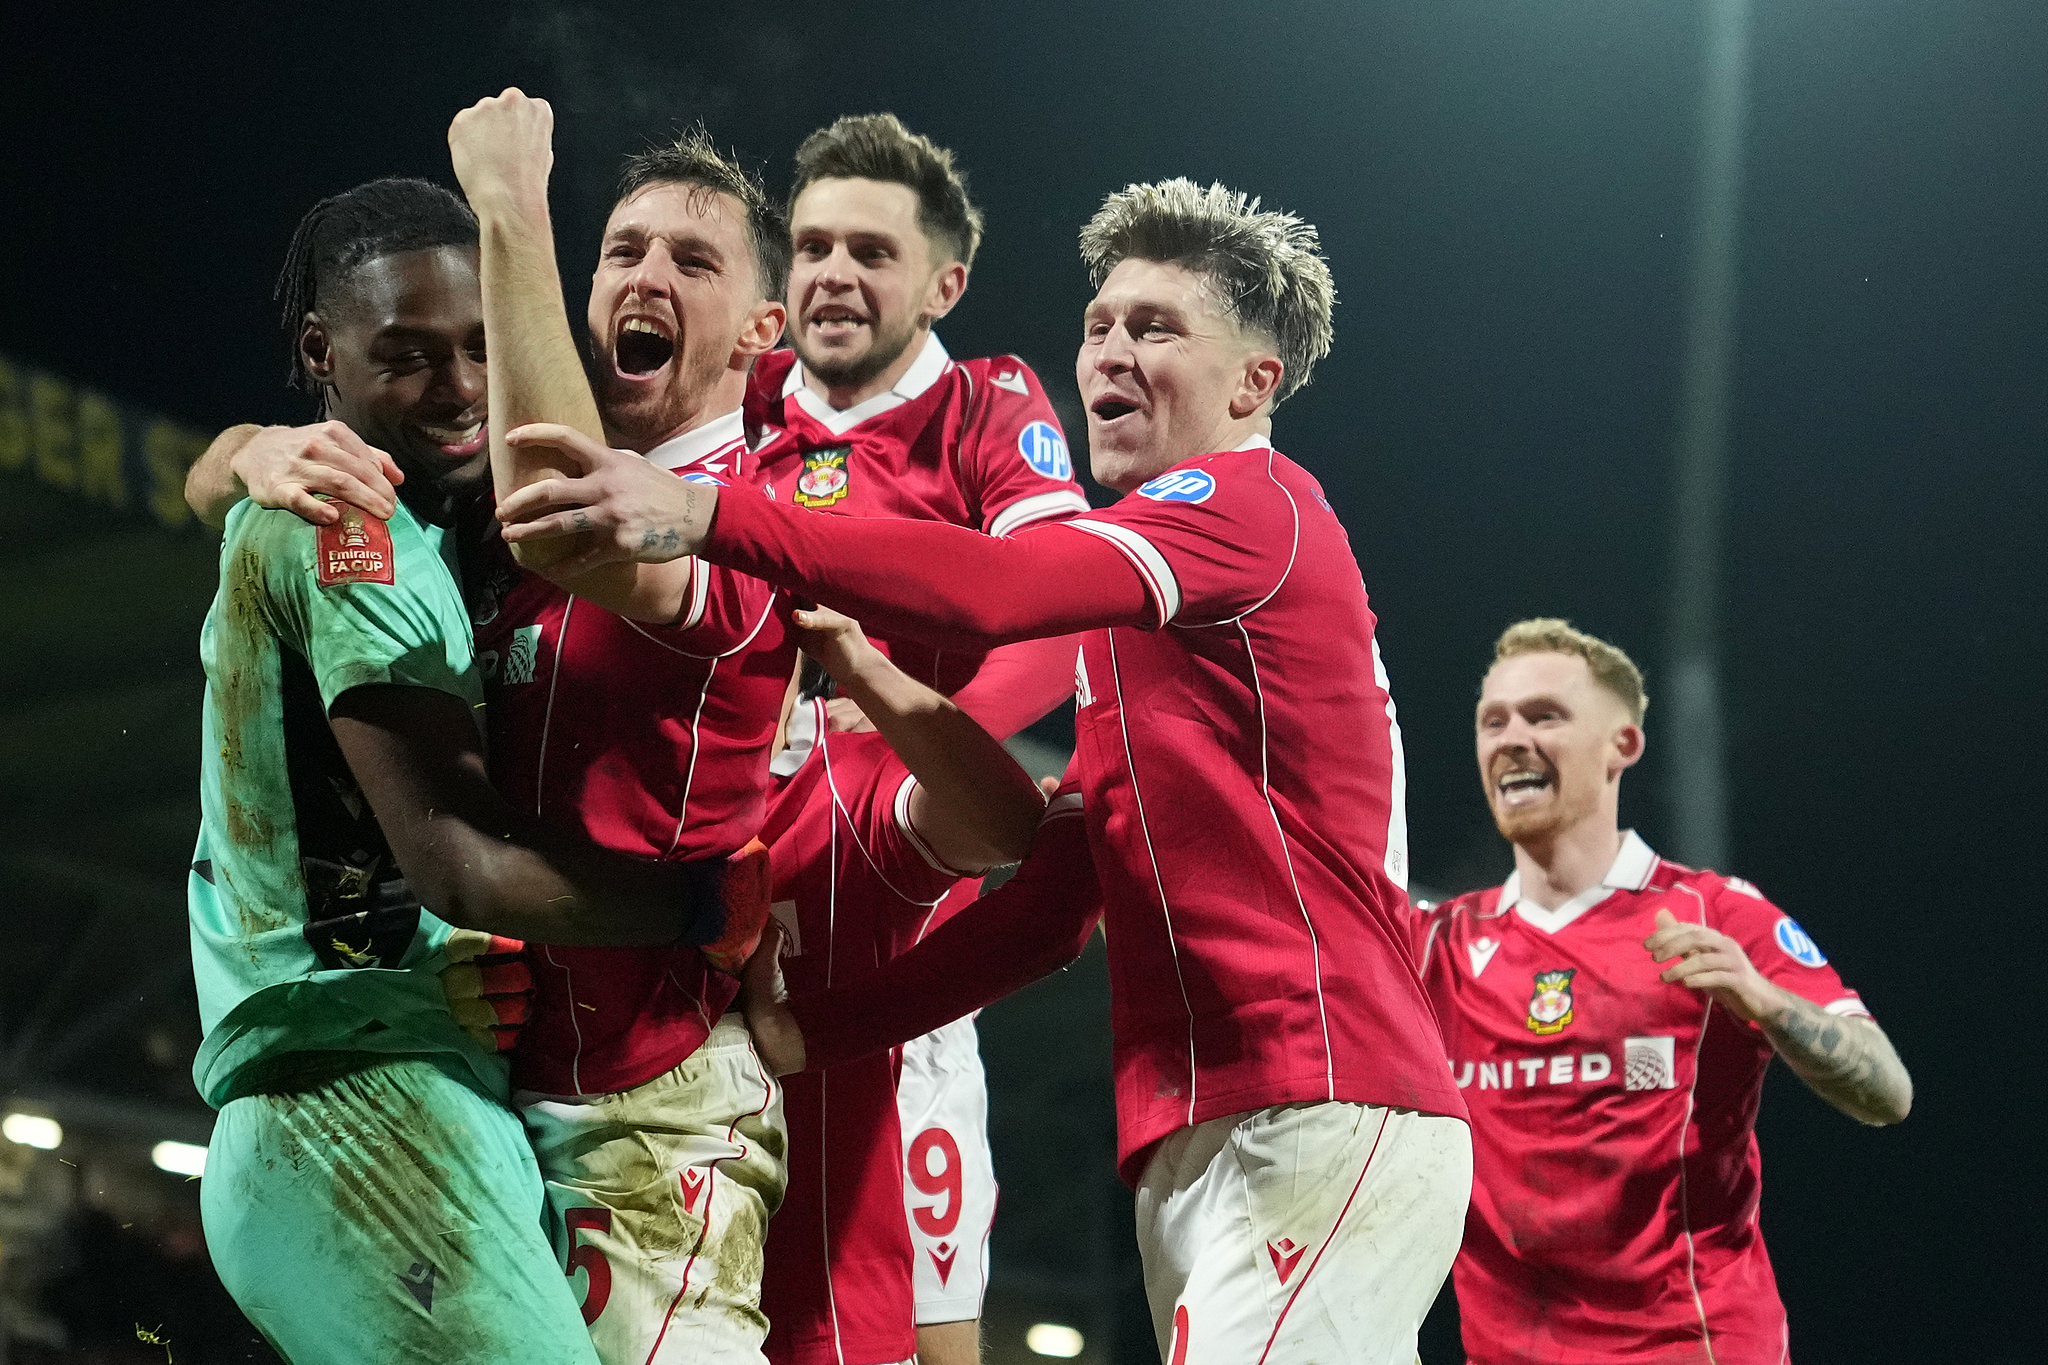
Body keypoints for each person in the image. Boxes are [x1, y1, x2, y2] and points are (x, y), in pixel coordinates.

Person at [499, 177, 1473, 1365]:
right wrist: (810, 1030)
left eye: (1156, 329)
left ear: (1252, 384)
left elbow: (997, 589)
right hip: (1210, 1124)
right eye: (1101, 323)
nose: (1111, 350)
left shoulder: (1244, 503)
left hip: (1321, 1091)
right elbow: (1047, 915)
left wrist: (708, 520)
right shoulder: (1144, 626)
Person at [187, 177, 766, 1365]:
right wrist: (704, 904)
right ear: (322, 354)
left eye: (478, 348)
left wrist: (237, 449)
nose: (456, 388)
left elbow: (221, 483)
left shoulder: (401, 512)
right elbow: (466, 867)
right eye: (406, 355)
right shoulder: (352, 526)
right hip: (354, 1109)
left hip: (384, 1088)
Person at [446, 93, 799, 1365]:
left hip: (651, 1115)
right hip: (504, 1091)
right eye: (623, 251)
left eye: (693, 261)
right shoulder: (497, 507)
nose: (646, 275)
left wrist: (511, 207)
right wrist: (250, 456)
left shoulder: (749, 519)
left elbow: (561, 512)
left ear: (764, 331)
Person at [751, 113, 1086, 1365]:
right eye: (812, 245)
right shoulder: (734, 404)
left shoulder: (987, 405)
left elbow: (1055, 619)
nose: (833, 273)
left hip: (899, 914)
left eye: (871, 252)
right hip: (731, 917)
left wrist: (898, 738)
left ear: (942, 283)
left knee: (923, 1339)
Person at [1411, 619, 1911, 1364]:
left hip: (1691, 1348)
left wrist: (1766, 1003)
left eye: (1545, 715)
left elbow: (1888, 1090)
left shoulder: (1720, 913)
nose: (1511, 737)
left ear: (1623, 745)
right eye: (1494, 720)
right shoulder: (1437, 944)